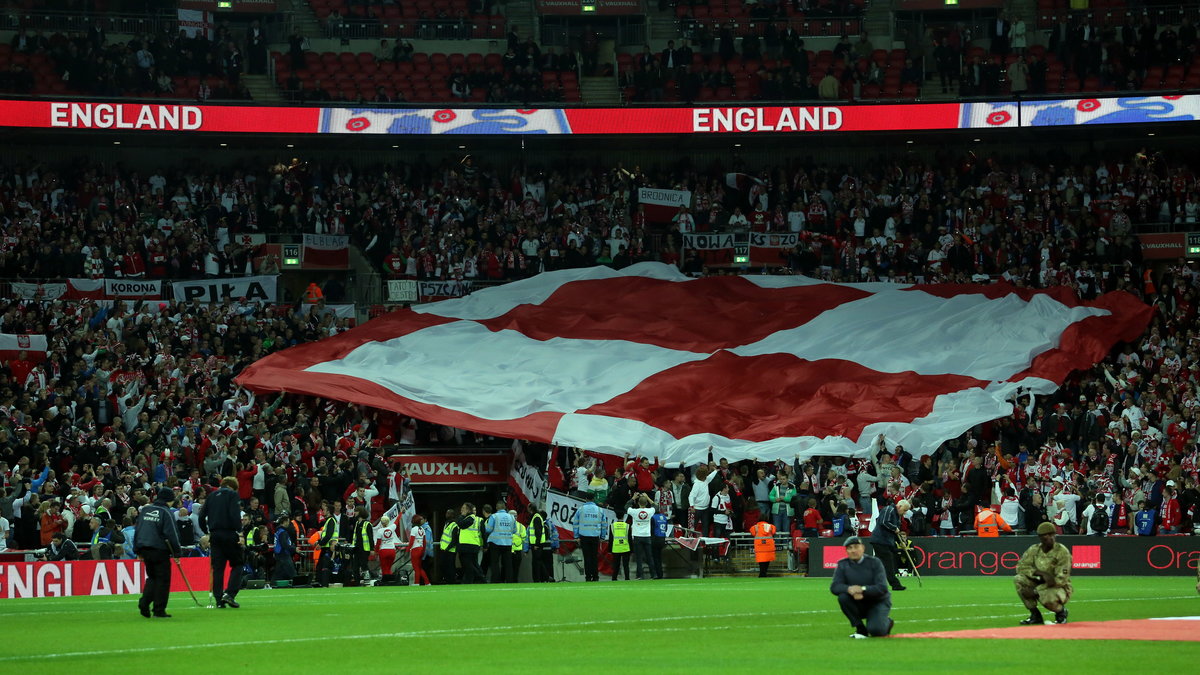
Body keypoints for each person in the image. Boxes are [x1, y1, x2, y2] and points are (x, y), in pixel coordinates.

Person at [830, 536, 894, 639]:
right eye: (850, 548)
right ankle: (860, 628)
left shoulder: (875, 562)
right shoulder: (843, 564)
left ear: (863, 548)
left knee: (876, 631)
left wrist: (863, 589)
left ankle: (887, 622)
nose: (853, 550)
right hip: (858, 602)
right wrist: (849, 589)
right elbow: (835, 587)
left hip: (877, 602)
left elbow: (882, 588)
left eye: (856, 547)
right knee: (843, 597)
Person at [133, 487, 182, 618]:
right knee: (163, 580)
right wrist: (177, 553)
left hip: (144, 548)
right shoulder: (166, 512)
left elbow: (137, 530)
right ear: (169, 500)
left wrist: (137, 549)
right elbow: (172, 534)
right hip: (159, 550)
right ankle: (159, 609)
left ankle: (144, 602)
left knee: (152, 577)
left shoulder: (146, 510)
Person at [1014, 522, 1073, 625]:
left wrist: (1036, 591)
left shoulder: (1062, 552)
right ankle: (1035, 615)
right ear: (1040, 537)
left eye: (1052, 535)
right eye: (1046, 535)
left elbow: (1061, 579)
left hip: (1060, 587)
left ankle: (1061, 613)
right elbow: (1021, 567)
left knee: (1048, 596)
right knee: (1019, 579)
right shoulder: (1034, 550)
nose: (1050, 538)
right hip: (1039, 581)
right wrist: (1038, 573)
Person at [202, 476, 245, 608]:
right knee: (238, 564)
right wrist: (240, 532)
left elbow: (201, 516)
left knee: (218, 569)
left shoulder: (211, 496)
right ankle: (230, 594)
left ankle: (219, 600)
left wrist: (207, 532)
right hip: (229, 534)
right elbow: (234, 515)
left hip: (214, 535)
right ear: (233, 486)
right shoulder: (232, 495)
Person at [869, 498, 910, 591]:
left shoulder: (897, 516)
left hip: (886, 542)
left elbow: (896, 533)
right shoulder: (889, 509)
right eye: (905, 510)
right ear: (899, 506)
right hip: (880, 540)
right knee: (888, 562)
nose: (905, 513)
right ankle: (895, 584)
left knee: (879, 563)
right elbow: (884, 522)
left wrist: (901, 542)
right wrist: (894, 528)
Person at [572, 492, 606, 582]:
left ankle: (588, 577)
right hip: (595, 536)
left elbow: (575, 524)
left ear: (586, 499)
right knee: (594, 557)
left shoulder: (580, 509)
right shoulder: (600, 510)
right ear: (593, 499)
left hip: (584, 536)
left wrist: (576, 536)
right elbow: (604, 525)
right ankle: (595, 576)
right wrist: (602, 536)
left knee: (587, 557)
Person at [626, 494, 655, 580]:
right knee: (649, 556)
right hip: (646, 535)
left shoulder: (635, 512)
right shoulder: (650, 511)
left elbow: (626, 506)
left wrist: (633, 498)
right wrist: (648, 497)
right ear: (646, 503)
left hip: (637, 536)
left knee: (638, 557)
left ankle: (640, 576)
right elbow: (656, 506)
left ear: (638, 503)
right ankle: (653, 575)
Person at [484, 503, 515, 583]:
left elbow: (488, 529)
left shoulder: (494, 516)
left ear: (497, 508)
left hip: (495, 543)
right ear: (504, 508)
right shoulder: (511, 517)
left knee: (495, 563)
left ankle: (495, 581)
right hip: (508, 542)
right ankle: (509, 580)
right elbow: (514, 530)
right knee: (508, 564)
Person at [455, 502, 485, 583]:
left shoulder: (471, 518)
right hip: (469, 544)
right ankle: (471, 580)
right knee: (473, 563)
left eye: (463, 508)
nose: (462, 510)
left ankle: (480, 577)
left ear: (468, 510)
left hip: (468, 545)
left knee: (468, 564)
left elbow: (461, 524)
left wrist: (461, 516)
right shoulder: (468, 518)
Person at [316, 501, 343, 586]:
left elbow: (328, 535)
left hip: (329, 547)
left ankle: (322, 583)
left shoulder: (330, 520)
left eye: (324, 510)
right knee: (321, 566)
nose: (323, 512)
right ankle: (321, 582)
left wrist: (320, 544)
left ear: (328, 511)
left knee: (323, 566)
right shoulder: (329, 521)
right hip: (327, 546)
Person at [350, 507, 374, 583]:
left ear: (360, 513)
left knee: (364, 565)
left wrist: (372, 549)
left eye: (356, 511)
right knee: (355, 567)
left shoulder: (367, 524)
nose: (355, 513)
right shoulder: (357, 523)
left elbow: (370, 537)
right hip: (357, 548)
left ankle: (367, 580)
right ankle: (357, 582)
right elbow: (355, 536)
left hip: (364, 548)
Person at [527, 505, 549, 583]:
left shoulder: (536, 518)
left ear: (530, 509)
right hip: (537, 543)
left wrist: (537, 544)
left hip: (537, 544)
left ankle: (539, 578)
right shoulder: (537, 516)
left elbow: (538, 532)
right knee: (538, 561)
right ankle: (546, 577)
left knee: (536, 562)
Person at [272, 515, 296, 585]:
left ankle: (272, 584)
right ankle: (298, 584)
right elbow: (284, 544)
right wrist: (294, 549)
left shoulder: (278, 531)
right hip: (284, 554)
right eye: (288, 522)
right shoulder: (283, 532)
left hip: (278, 553)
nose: (289, 523)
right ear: (284, 522)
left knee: (278, 572)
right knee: (292, 571)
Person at [438, 509, 459, 584]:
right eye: (446, 513)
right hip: (444, 549)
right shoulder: (446, 523)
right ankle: (447, 579)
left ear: (452, 515)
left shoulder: (454, 525)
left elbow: (454, 540)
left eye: (448, 513)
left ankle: (452, 580)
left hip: (450, 550)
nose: (446, 514)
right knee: (443, 565)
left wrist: (447, 548)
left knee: (450, 566)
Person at [408, 514, 431, 586]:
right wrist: (423, 551)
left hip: (415, 549)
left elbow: (411, 541)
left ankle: (417, 582)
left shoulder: (414, 529)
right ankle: (427, 582)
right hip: (421, 549)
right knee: (419, 567)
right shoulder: (422, 529)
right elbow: (424, 542)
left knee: (416, 567)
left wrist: (407, 549)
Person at [650, 506, 670, 580]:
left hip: (655, 539)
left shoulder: (653, 518)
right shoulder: (664, 517)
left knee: (655, 557)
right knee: (659, 557)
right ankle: (660, 573)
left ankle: (657, 574)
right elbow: (666, 528)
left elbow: (651, 530)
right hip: (662, 539)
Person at [609, 514, 631, 581]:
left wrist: (610, 549)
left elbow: (611, 539)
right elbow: (629, 538)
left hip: (616, 547)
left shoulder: (612, 526)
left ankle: (614, 578)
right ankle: (627, 578)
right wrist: (632, 549)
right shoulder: (627, 526)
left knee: (616, 565)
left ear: (616, 517)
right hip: (625, 547)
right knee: (626, 565)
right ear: (624, 517)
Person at [509, 510, 527, 583]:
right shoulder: (505, 526)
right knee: (507, 569)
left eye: (515, 515)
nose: (514, 517)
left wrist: (525, 550)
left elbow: (525, 539)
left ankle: (514, 582)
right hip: (507, 550)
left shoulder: (521, 526)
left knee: (516, 569)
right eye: (513, 515)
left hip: (517, 551)